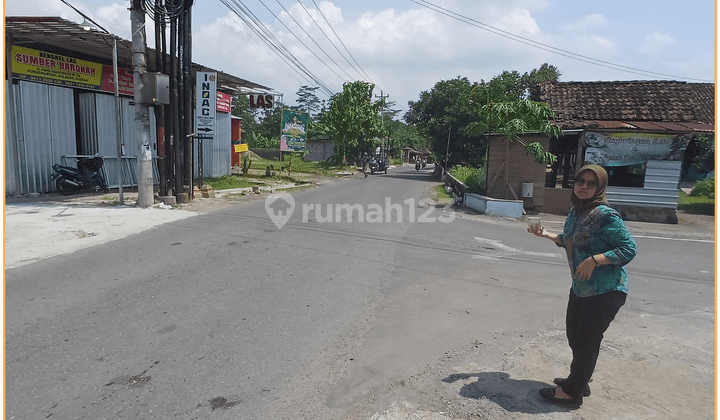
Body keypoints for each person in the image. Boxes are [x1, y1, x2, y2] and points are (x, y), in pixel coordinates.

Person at [528, 165, 637, 407]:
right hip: (581, 288)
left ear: (600, 188)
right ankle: (580, 379)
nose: (584, 186)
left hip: (605, 291)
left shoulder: (606, 215)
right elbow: (569, 239)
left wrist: (595, 260)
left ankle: (572, 394)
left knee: (586, 341)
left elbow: (629, 249)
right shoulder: (577, 211)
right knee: (574, 336)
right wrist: (544, 234)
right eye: (580, 181)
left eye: (591, 183)